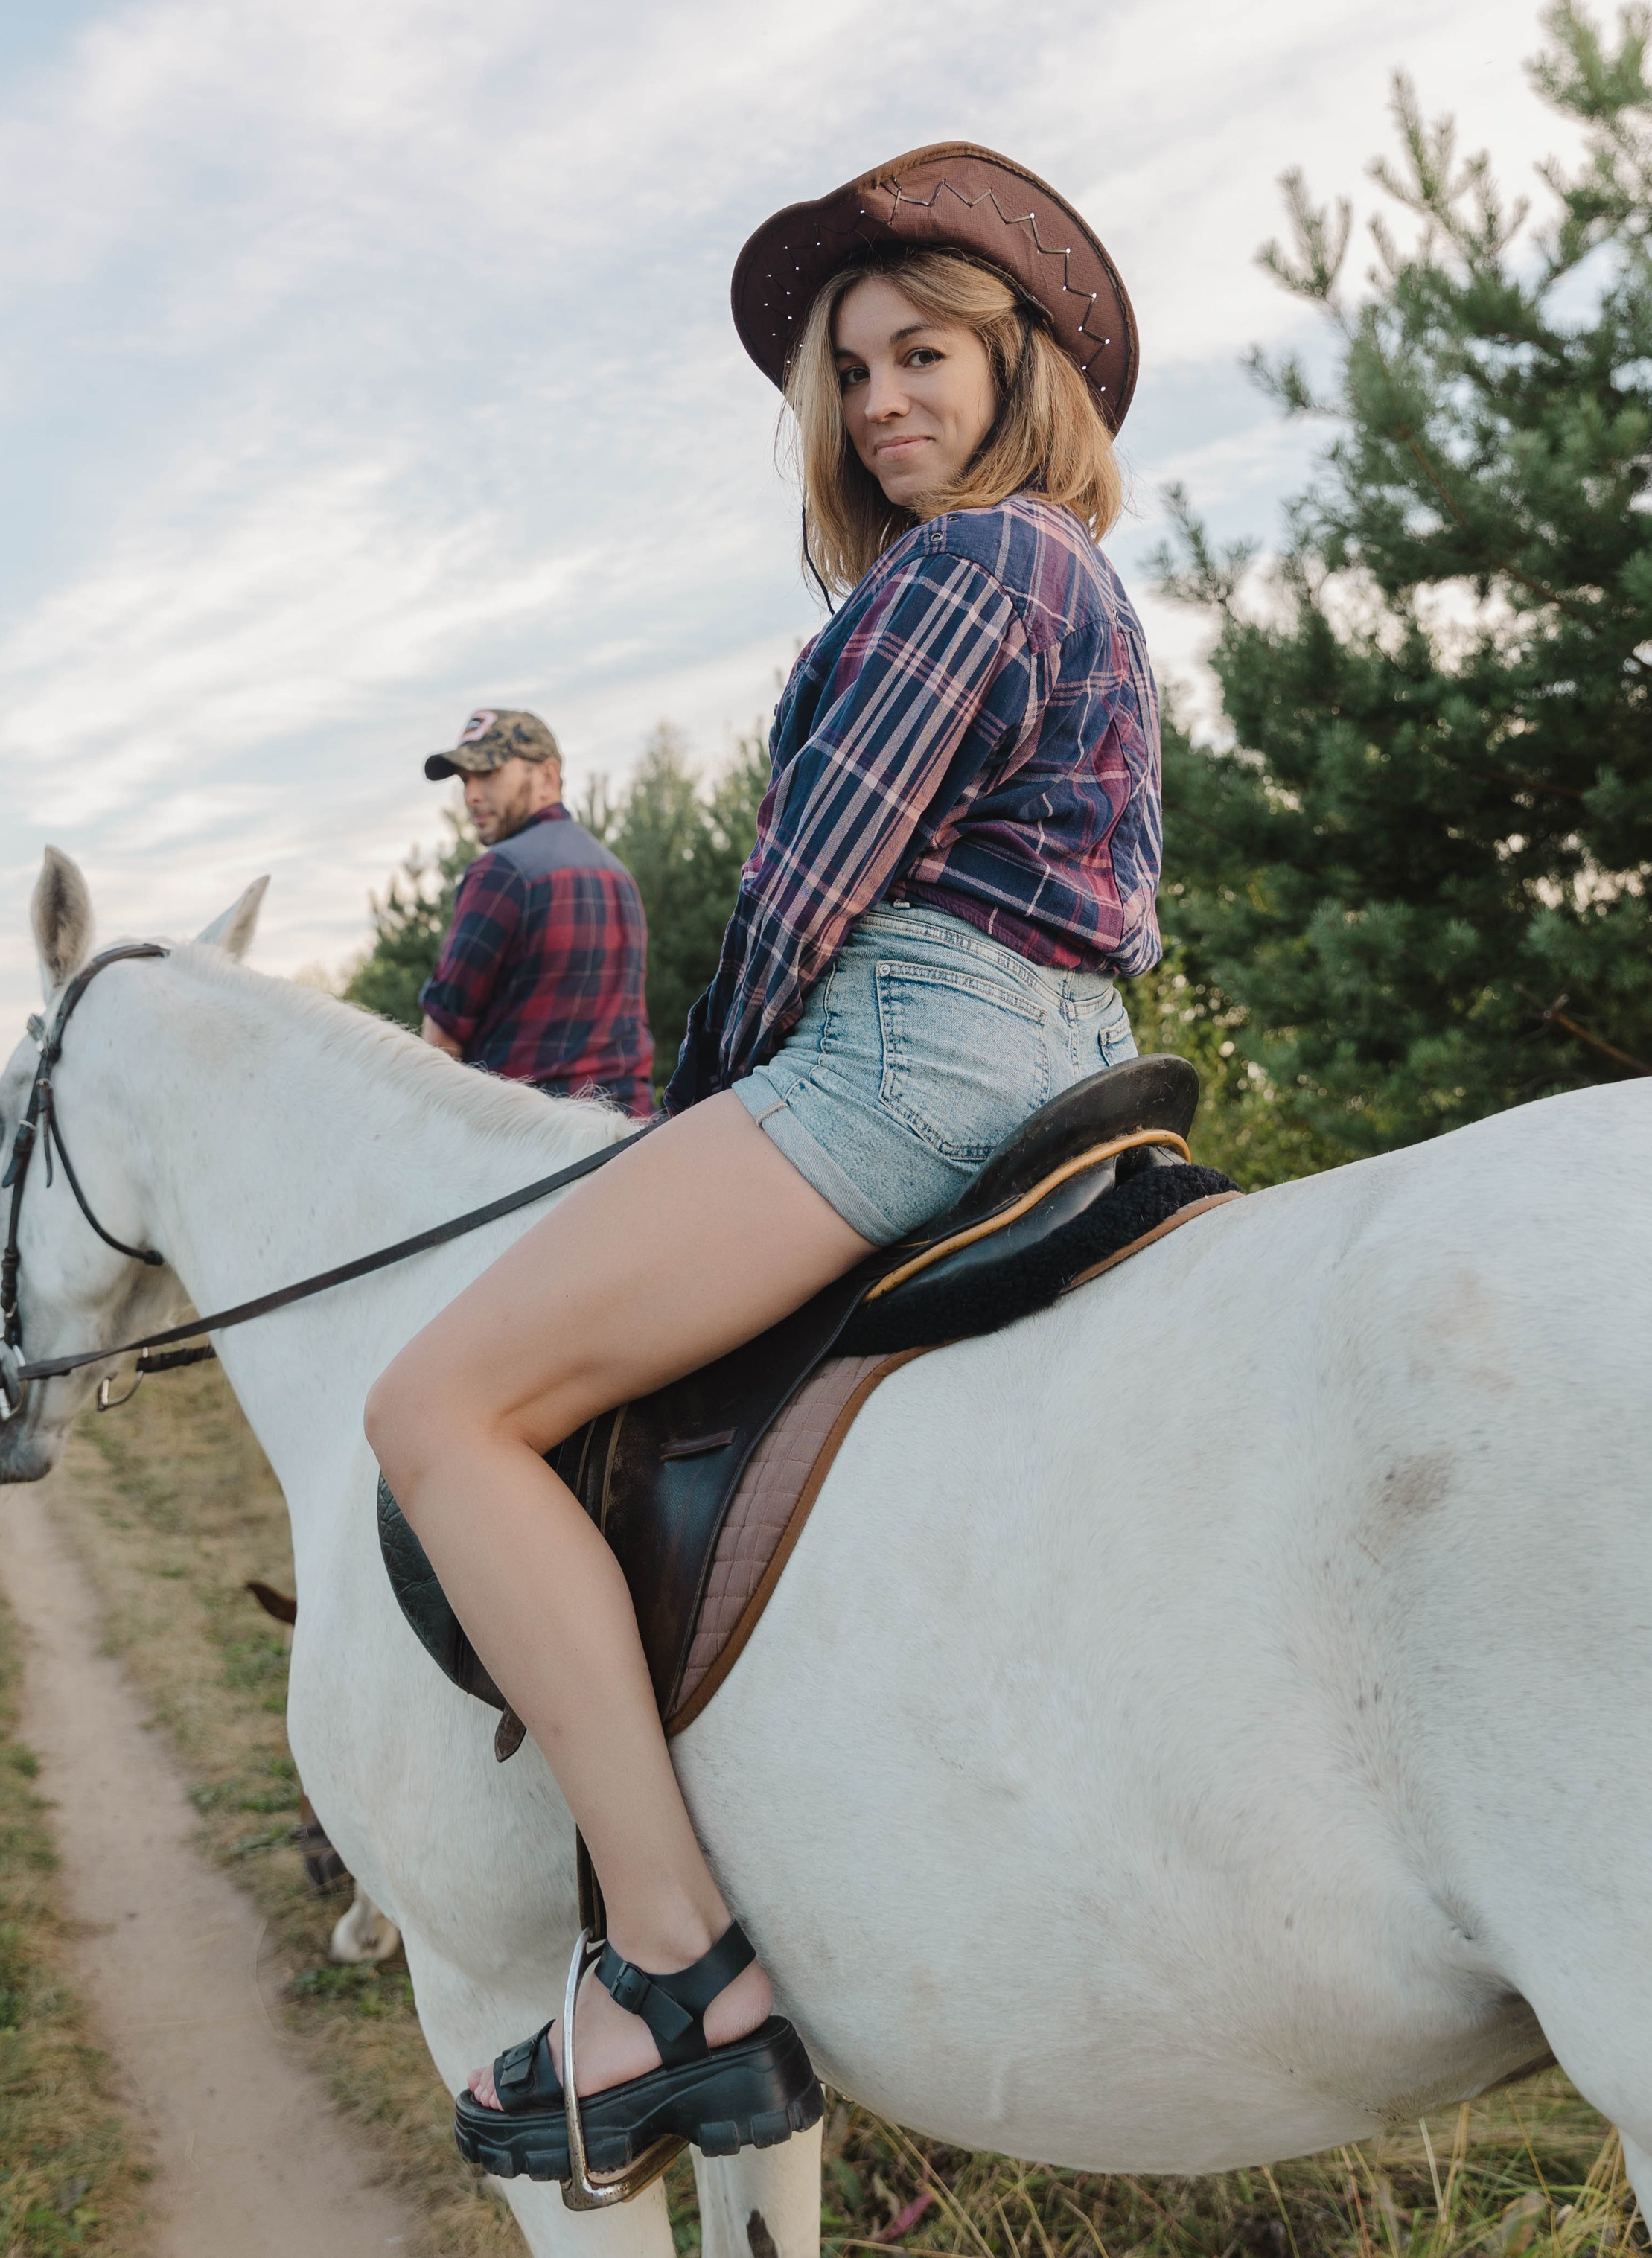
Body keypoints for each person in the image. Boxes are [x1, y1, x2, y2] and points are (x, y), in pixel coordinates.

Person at [366, 144, 1163, 2177]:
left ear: (1016, 373)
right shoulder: (1073, 578)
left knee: (439, 1401)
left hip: (906, 1048)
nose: (882, 400)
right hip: (1060, 1037)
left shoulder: (969, 566)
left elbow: (809, 889)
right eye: (850, 372)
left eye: (924, 355)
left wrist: (703, 1103)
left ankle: (672, 1960)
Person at [418, 708, 654, 1120]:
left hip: (527, 1154)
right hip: (623, 1144)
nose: (471, 795)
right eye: (465, 780)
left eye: (488, 774)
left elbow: (440, 1049)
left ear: (547, 776)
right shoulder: (619, 875)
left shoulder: (502, 873)